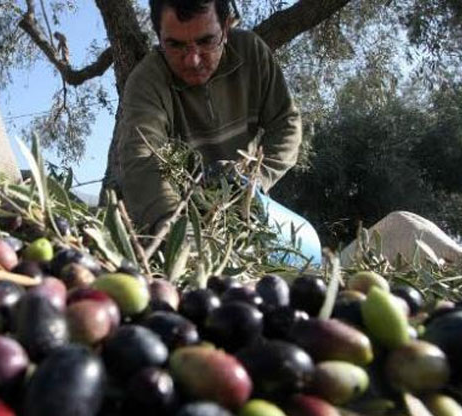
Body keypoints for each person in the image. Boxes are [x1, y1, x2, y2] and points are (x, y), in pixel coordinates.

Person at [115, 0, 320, 264]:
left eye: (206, 40)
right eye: (175, 45)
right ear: (158, 37)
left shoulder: (252, 53)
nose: (193, 60)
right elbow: (141, 157)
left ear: (225, 27)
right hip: (180, 217)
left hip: (245, 215)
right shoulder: (146, 82)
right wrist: (177, 229)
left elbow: (286, 122)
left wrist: (253, 185)